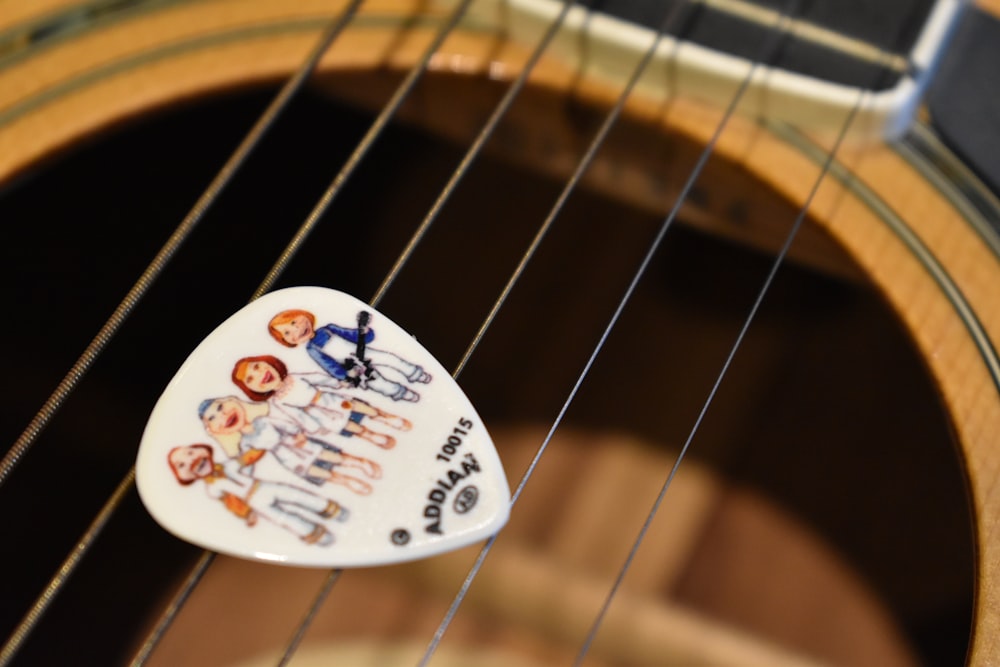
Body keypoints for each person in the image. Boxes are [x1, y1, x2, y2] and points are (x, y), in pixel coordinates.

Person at [167, 443, 348, 546]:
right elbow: (231, 501)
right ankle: (315, 535)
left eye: (190, 452)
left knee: (295, 495)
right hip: (254, 501)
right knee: (282, 518)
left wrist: (260, 448)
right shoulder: (213, 489)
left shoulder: (228, 465)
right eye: (181, 465)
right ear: (184, 476)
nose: (191, 460)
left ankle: (330, 509)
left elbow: (246, 459)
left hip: (263, 487)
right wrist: (247, 513)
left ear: (203, 450)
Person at [199, 395, 380, 495]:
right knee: (320, 474)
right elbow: (248, 463)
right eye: (213, 418)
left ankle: (360, 463)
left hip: (301, 444)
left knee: (334, 456)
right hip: (289, 459)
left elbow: (287, 426)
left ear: (233, 402)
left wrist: (298, 434)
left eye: (221, 407)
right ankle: (347, 481)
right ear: (214, 430)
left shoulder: (262, 421)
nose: (223, 416)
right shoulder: (245, 443)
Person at [231, 355, 411, 450]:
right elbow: (296, 415)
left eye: (257, 366)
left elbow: (317, 379)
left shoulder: (294, 378)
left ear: (268, 363)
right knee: (349, 427)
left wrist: (337, 383)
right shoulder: (278, 402)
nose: (260, 374)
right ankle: (371, 436)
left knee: (363, 408)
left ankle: (386, 417)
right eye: (251, 379)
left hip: (329, 399)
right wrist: (312, 427)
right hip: (321, 416)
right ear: (253, 390)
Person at [267, 309, 431, 402]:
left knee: (390, 359)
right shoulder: (312, 349)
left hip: (364, 352)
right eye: (287, 332)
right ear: (288, 341)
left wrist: (364, 333)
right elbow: (329, 365)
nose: (296, 329)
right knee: (377, 383)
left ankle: (416, 373)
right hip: (353, 368)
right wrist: (345, 376)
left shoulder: (329, 328)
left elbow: (351, 335)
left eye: (294, 322)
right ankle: (403, 394)